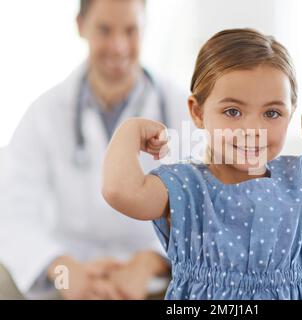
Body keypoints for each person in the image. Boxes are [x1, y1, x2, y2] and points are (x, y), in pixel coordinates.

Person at [101, 28, 302, 300]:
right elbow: (120, 191)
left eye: (272, 113)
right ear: (197, 112)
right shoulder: (184, 187)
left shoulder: (300, 182)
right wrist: (130, 130)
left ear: (290, 113)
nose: (252, 130)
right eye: (233, 112)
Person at [0, 0, 189, 300]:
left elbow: (208, 208)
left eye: (131, 30)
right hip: (69, 277)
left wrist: (150, 264)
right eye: (104, 30)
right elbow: (13, 213)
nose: (118, 46)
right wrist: (61, 269)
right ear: (80, 26)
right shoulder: (44, 113)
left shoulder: (181, 107)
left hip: (159, 277)